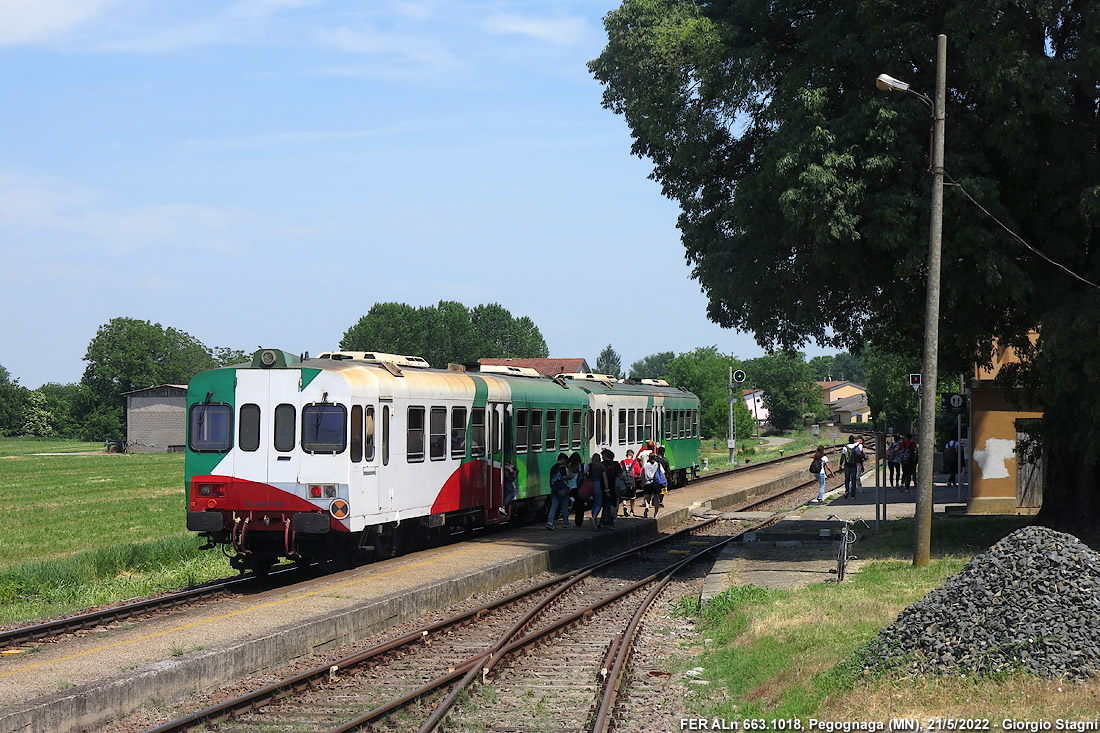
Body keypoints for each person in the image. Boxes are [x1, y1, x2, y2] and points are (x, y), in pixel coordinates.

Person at [547, 453, 571, 530]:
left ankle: (550, 522)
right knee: (564, 508)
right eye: (565, 460)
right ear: (563, 459)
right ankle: (566, 523)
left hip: (555, 490)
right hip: (563, 490)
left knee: (553, 507)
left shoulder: (552, 467)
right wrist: (569, 478)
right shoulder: (562, 467)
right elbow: (564, 477)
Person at [584, 451, 605, 530]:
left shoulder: (590, 465)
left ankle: (594, 522)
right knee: (598, 504)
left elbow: (584, 473)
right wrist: (607, 488)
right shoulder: (601, 467)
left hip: (590, 485)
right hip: (597, 485)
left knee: (593, 504)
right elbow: (605, 478)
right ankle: (594, 517)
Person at [601, 449, 621, 528]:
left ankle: (604, 520)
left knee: (605, 504)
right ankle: (611, 520)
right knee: (613, 504)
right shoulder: (616, 464)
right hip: (614, 487)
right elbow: (620, 474)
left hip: (604, 487)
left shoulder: (602, 465)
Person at [642, 453, 662, 518]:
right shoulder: (658, 465)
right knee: (656, 499)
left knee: (647, 497)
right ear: (655, 458)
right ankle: (656, 513)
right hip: (656, 483)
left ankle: (647, 506)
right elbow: (662, 473)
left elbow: (642, 476)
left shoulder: (645, 465)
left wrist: (642, 484)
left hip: (647, 483)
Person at [620, 449, 639, 517]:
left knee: (624, 497)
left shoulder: (622, 462)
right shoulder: (635, 462)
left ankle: (625, 506)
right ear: (632, 455)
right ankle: (631, 511)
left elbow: (620, 472)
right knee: (632, 497)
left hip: (624, 482)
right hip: (632, 482)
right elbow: (638, 472)